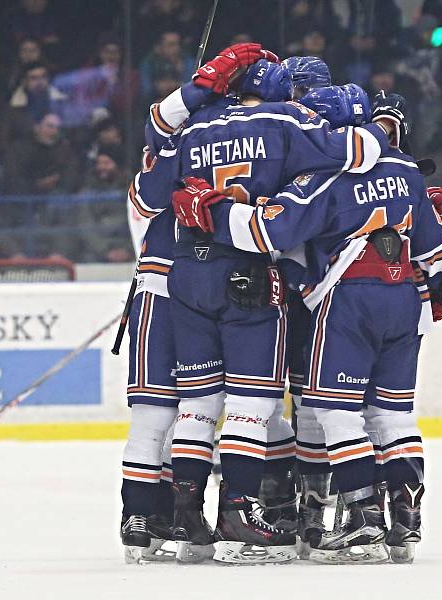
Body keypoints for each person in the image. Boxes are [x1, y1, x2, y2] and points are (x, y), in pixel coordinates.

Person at [171, 92, 442, 564]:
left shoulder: (321, 180)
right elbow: (434, 255)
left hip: (347, 304)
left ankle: (362, 516)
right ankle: (405, 521)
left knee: (334, 414)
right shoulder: (406, 172)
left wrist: (211, 211)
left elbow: (266, 233)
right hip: (404, 300)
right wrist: (440, 280)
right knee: (392, 414)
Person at [131, 59, 397, 565]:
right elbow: (361, 154)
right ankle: (244, 518)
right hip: (253, 274)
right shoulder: (284, 122)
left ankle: (188, 518)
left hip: (188, 271)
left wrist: (193, 92)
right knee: (257, 406)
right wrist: (387, 128)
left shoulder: (195, 128)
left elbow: (149, 180)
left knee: (199, 405)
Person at [120, 42, 279, 564]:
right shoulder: (169, 156)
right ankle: (142, 514)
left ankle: (172, 513)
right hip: (167, 292)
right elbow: (151, 179)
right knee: (158, 417)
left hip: (184, 288)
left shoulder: (183, 148)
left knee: (192, 409)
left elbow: (162, 132)